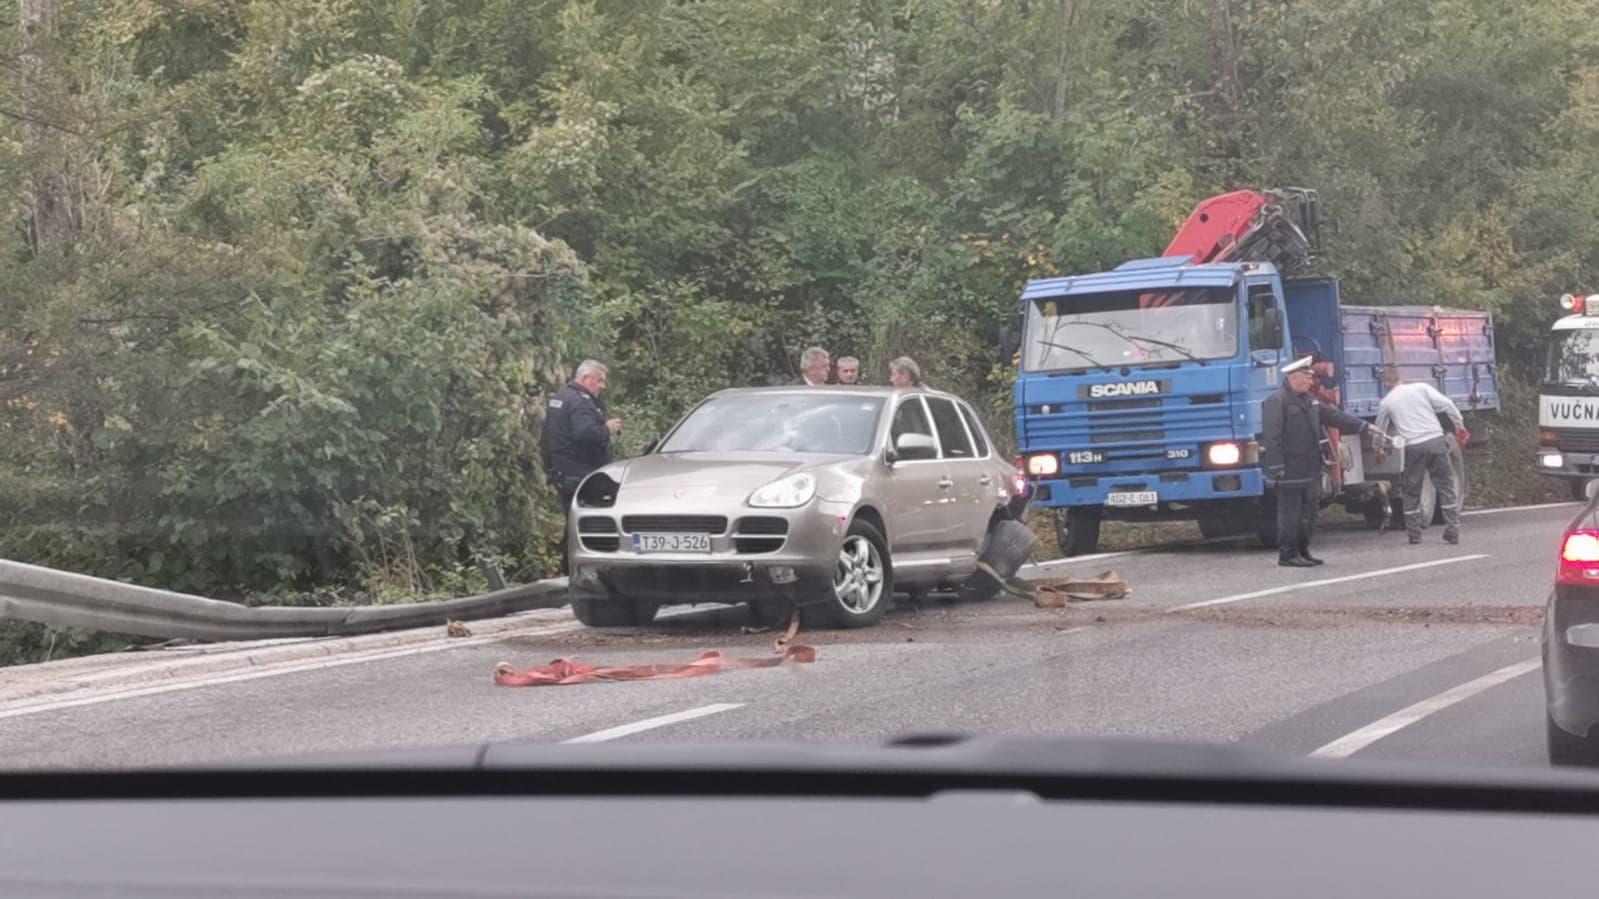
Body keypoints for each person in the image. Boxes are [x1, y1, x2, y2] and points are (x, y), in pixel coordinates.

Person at [1261, 356, 1384, 568]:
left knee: (1307, 513)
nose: (1310, 382)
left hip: (1309, 468)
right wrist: (1276, 467)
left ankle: (1303, 549)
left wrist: (1364, 427)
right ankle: (1287, 553)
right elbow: (1272, 437)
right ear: (1294, 377)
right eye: (1307, 378)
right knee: (1290, 514)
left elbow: (1334, 417)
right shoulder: (1277, 401)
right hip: (1289, 469)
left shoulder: (1310, 400)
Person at [1374, 366, 1467, 545]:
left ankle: (1414, 534)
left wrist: (1379, 449)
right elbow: (1447, 404)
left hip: (1414, 447)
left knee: (1411, 490)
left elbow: (1379, 431)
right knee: (1446, 486)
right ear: (1400, 377)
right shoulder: (1421, 388)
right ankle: (1452, 530)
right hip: (1436, 441)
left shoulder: (1386, 402)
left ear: (1385, 383)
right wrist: (1459, 425)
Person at [540, 359, 621, 512]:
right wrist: (608, 429)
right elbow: (586, 435)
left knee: (572, 519)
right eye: (600, 381)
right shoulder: (580, 402)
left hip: (563, 474)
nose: (602, 386)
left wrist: (550, 473)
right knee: (591, 522)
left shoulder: (560, 397)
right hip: (583, 476)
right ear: (586, 378)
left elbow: (546, 438)